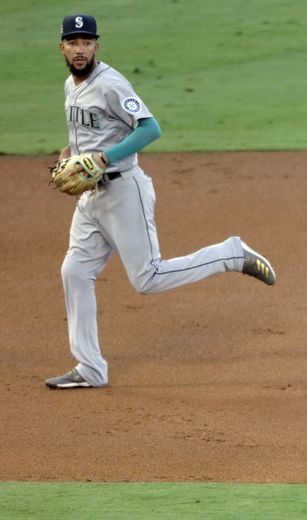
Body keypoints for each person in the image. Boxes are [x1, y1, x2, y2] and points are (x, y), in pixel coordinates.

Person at [45, 14, 276, 390]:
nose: (80, 49)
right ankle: (89, 367)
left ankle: (231, 253)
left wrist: (103, 158)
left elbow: (150, 129)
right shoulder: (71, 86)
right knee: (74, 272)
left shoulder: (112, 84)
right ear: (63, 48)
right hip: (90, 198)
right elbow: (85, 136)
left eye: (87, 42)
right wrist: (69, 153)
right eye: (73, 42)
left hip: (123, 190)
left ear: (97, 46)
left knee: (148, 278)